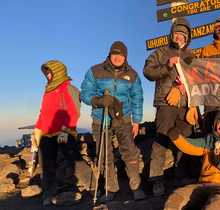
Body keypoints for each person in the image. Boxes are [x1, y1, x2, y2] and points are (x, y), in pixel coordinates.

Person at [81, 41, 145, 201]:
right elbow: (85, 93)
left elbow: (137, 97)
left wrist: (136, 121)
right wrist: (98, 100)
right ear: (109, 55)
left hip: (123, 118)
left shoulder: (132, 74)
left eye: (121, 55)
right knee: (105, 155)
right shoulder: (95, 71)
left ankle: (136, 187)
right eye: (115, 54)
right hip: (100, 117)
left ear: (125, 57)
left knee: (130, 152)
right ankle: (111, 189)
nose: (117, 58)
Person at [164, 110, 220, 210]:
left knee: (215, 206)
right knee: (175, 198)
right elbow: (190, 145)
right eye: (219, 123)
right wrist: (176, 138)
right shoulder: (208, 140)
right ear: (214, 125)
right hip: (203, 185)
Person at [143, 17, 194, 197]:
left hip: (185, 104)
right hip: (165, 103)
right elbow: (148, 72)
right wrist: (167, 66)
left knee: (185, 139)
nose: (179, 37)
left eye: (182, 34)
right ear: (171, 35)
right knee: (162, 139)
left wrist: (185, 87)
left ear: (187, 38)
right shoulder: (161, 52)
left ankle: (181, 176)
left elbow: (196, 79)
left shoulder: (191, 56)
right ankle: (156, 180)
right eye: (176, 33)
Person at [30, 60, 81, 206]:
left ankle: (87, 187)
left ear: (58, 71)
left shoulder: (69, 88)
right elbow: (43, 114)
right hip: (47, 134)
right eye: (46, 72)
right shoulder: (48, 90)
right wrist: (37, 130)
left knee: (73, 161)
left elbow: (74, 112)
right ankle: (48, 194)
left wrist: (66, 130)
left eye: (49, 71)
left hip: (64, 132)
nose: (47, 75)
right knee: (47, 166)